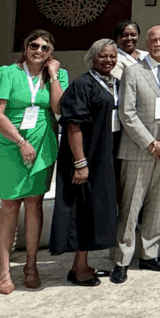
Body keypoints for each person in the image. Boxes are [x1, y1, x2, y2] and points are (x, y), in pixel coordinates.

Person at [0, 30, 66, 294]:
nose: (39, 50)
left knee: (35, 204)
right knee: (10, 204)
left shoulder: (59, 74)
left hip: (43, 146)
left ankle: (31, 265)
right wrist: (21, 142)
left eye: (45, 47)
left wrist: (53, 75)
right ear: (25, 47)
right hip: (12, 146)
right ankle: (4, 270)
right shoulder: (7, 73)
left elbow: (58, 109)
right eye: (34, 45)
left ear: (50, 52)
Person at [112, 26, 160, 284]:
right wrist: (150, 143)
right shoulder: (133, 71)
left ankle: (150, 254)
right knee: (131, 207)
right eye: (153, 39)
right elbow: (127, 113)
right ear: (146, 42)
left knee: (156, 205)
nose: (158, 43)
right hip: (139, 150)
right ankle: (122, 260)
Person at [49, 39, 117, 286]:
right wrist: (80, 163)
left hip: (102, 157)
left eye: (112, 56)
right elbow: (73, 124)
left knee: (94, 210)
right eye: (103, 56)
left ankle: (83, 263)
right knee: (81, 210)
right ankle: (78, 269)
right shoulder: (82, 84)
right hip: (85, 156)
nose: (108, 60)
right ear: (92, 58)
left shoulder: (113, 84)